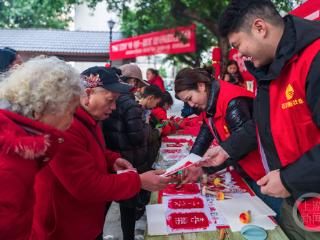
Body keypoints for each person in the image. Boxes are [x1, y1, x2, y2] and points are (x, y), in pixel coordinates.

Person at [32, 66, 171, 240]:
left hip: (86, 220)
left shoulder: (90, 118)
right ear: (88, 94)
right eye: (110, 100)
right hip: (64, 227)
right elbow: (85, 185)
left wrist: (111, 159)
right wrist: (138, 181)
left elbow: (92, 149)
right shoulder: (65, 125)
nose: (113, 107)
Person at [219, 0, 320, 238]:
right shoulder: (269, 70)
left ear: (259, 27)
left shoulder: (314, 59)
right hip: (295, 201)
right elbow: (264, 124)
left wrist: (288, 178)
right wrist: (226, 150)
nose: (238, 54)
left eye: (237, 44)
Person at [174, 68, 282, 216]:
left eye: (189, 98)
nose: (191, 105)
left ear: (201, 86)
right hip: (247, 170)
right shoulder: (210, 100)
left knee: (271, 217)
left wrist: (205, 169)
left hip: (263, 173)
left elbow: (240, 145)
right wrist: (191, 159)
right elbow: (207, 129)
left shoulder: (232, 101)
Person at [0, 56, 82, 240]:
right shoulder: (10, 163)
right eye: (71, 111)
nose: (71, 121)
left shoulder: (18, 146)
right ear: (40, 109)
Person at [102, 64, 155, 240]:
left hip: (112, 159)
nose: (139, 88)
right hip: (129, 160)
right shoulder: (130, 104)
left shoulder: (112, 100)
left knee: (105, 204)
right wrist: (148, 127)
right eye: (138, 84)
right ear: (131, 81)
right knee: (128, 207)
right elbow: (137, 137)